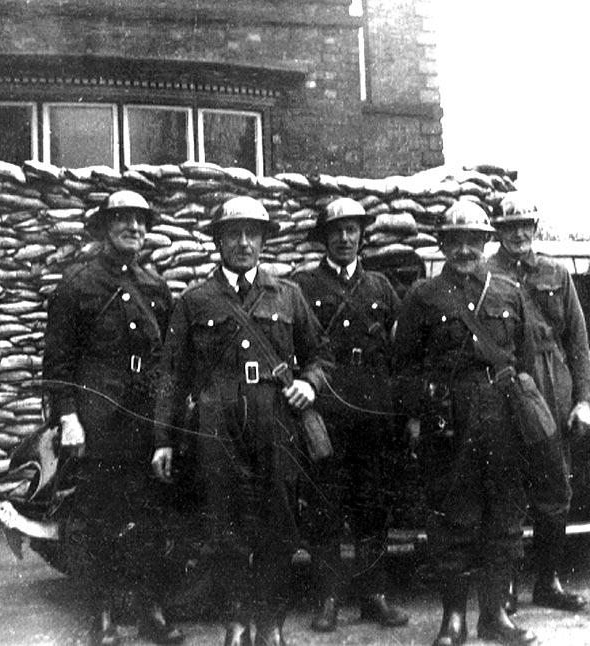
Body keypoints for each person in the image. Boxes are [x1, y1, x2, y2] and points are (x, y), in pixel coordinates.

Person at [152, 196, 333, 646]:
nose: (244, 242)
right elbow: (171, 375)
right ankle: (235, 621)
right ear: (218, 241)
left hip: (275, 422)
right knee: (223, 526)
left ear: (264, 240)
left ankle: (270, 622)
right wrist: (163, 440)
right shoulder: (195, 300)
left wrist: (309, 383)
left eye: (253, 233)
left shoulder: (287, 294)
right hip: (216, 424)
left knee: (278, 524)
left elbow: (320, 354)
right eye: (233, 233)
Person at [42, 190, 184, 646]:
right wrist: (68, 417)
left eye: (141, 222)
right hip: (98, 418)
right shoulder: (78, 285)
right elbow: (58, 362)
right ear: (105, 227)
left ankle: (151, 612)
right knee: (99, 517)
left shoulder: (155, 286)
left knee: (151, 516)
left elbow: (166, 360)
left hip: (144, 417)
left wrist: (165, 423)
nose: (134, 228)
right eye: (123, 220)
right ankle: (101, 617)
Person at [393, 200, 538, 646]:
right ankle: (453, 619)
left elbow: (526, 360)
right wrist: (421, 414)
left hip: (501, 418)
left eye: (473, 240)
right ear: (443, 244)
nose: (465, 250)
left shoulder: (509, 292)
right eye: (456, 241)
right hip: (448, 421)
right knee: (452, 520)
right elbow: (404, 367)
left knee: (503, 519)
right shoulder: (423, 296)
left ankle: (494, 616)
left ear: (484, 243)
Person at [290, 197, 409, 633]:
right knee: (325, 506)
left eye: (352, 229)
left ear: (362, 235)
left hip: (373, 413)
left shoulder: (381, 286)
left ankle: (373, 595)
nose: (344, 237)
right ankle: (328, 598)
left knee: (372, 506)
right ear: (324, 237)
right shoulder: (302, 286)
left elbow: (401, 350)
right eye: (336, 230)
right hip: (326, 414)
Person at [486, 193, 590, 613]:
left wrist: (582, 400)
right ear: (498, 231)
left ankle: (548, 581)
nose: (519, 233)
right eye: (510, 226)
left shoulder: (555, 272)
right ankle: (506, 587)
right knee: (506, 489)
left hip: (552, 385)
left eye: (525, 225)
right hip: (508, 385)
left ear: (535, 227)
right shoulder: (485, 272)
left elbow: (578, 343)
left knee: (554, 489)